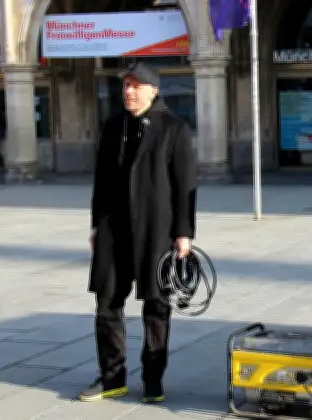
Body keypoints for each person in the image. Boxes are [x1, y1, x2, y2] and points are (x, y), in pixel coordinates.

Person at [81, 62, 197, 403]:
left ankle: (152, 379)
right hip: (113, 230)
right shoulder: (113, 126)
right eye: (126, 85)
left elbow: (185, 185)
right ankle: (112, 377)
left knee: (156, 305)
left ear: (153, 90)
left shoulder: (174, 128)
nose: (129, 91)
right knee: (107, 303)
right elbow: (101, 180)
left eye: (136, 85)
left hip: (155, 230)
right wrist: (96, 224)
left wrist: (184, 232)